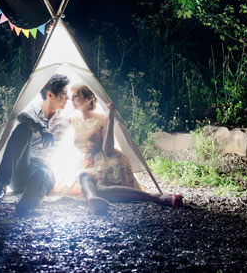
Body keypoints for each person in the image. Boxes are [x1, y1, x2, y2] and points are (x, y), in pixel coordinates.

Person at [71, 84, 183, 212]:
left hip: (104, 159)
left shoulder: (102, 119)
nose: (71, 99)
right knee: (84, 176)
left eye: (75, 96)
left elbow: (107, 150)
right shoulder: (74, 121)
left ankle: (156, 197)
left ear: (88, 100)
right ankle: (93, 199)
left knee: (100, 187)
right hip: (88, 162)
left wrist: (111, 118)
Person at [0, 74, 70, 214]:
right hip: (22, 169)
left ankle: (26, 204)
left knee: (42, 174)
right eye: (64, 94)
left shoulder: (67, 119)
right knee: (23, 129)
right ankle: (1, 184)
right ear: (50, 95)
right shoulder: (33, 111)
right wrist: (42, 128)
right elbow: (22, 115)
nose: (68, 98)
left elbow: (89, 121)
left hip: (43, 169)